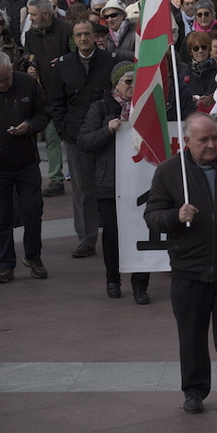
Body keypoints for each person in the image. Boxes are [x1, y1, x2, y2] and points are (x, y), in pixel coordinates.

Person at [144, 113, 217, 418]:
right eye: (203, 140)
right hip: (189, 269)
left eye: (214, 138)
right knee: (192, 335)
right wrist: (175, 217)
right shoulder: (170, 172)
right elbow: (153, 214)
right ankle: (194, 391)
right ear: (186, 142)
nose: (212, 145)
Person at [77, 62, 151, 303]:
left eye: (135, 81)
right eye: (127, 81)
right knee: (113, 234)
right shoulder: (100, 108)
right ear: (116, 84)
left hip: (142, 181)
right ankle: (113, 279)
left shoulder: (147, 108)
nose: (131, 86)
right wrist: (107, 131)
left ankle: (140, 285)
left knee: (142, 230)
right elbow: (84, 141)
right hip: (112, 182)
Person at [50, 20, 121, 258]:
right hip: (76, 136)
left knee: (112, 188)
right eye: (78, 34)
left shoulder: (110, 61)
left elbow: (118, 95)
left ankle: (118, 235)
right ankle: (87, 238)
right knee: (83, 190)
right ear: (73, 38)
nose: (83, 38)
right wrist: (63, 131)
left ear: (95, 36)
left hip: (107, 136)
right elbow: (57, 102)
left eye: (87, 34)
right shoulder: (63, 65)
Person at [0, 51, 51, 284]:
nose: (2, 85)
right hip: (0, 166)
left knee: (32, 211)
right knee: (2, 216)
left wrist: (30, 126)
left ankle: (33, 256)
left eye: (6, 80)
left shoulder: (28, 84)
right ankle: (5, 263)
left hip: (27, 161)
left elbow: (45, 112)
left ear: (12, 72)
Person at [23, 0, 72, 198]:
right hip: (45, 95)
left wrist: (64, 61)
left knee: (72, 138)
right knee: (51, 139)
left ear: (45, 13)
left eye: (33, 14)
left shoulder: (67, 29)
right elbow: (27, 58)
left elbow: (79, 55)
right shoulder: (31, 35)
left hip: (69, 94)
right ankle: (56, 179)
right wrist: (30, 68)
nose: (31, 18)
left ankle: (79, 175)